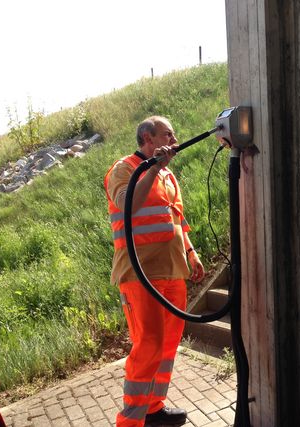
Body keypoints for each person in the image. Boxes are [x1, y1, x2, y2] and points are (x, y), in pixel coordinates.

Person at [104, 116, 205, 427]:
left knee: (167, 344)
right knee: (148, 344)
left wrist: (191, 252)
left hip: (174, 272)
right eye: (167, 134)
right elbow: (126, 204)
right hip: (139, 275)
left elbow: (178, 221)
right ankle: (130, 421)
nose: (174, 140)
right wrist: (152, 168)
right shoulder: (124, 169)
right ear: (148, 138)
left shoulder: (168, 176)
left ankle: (153, 409)